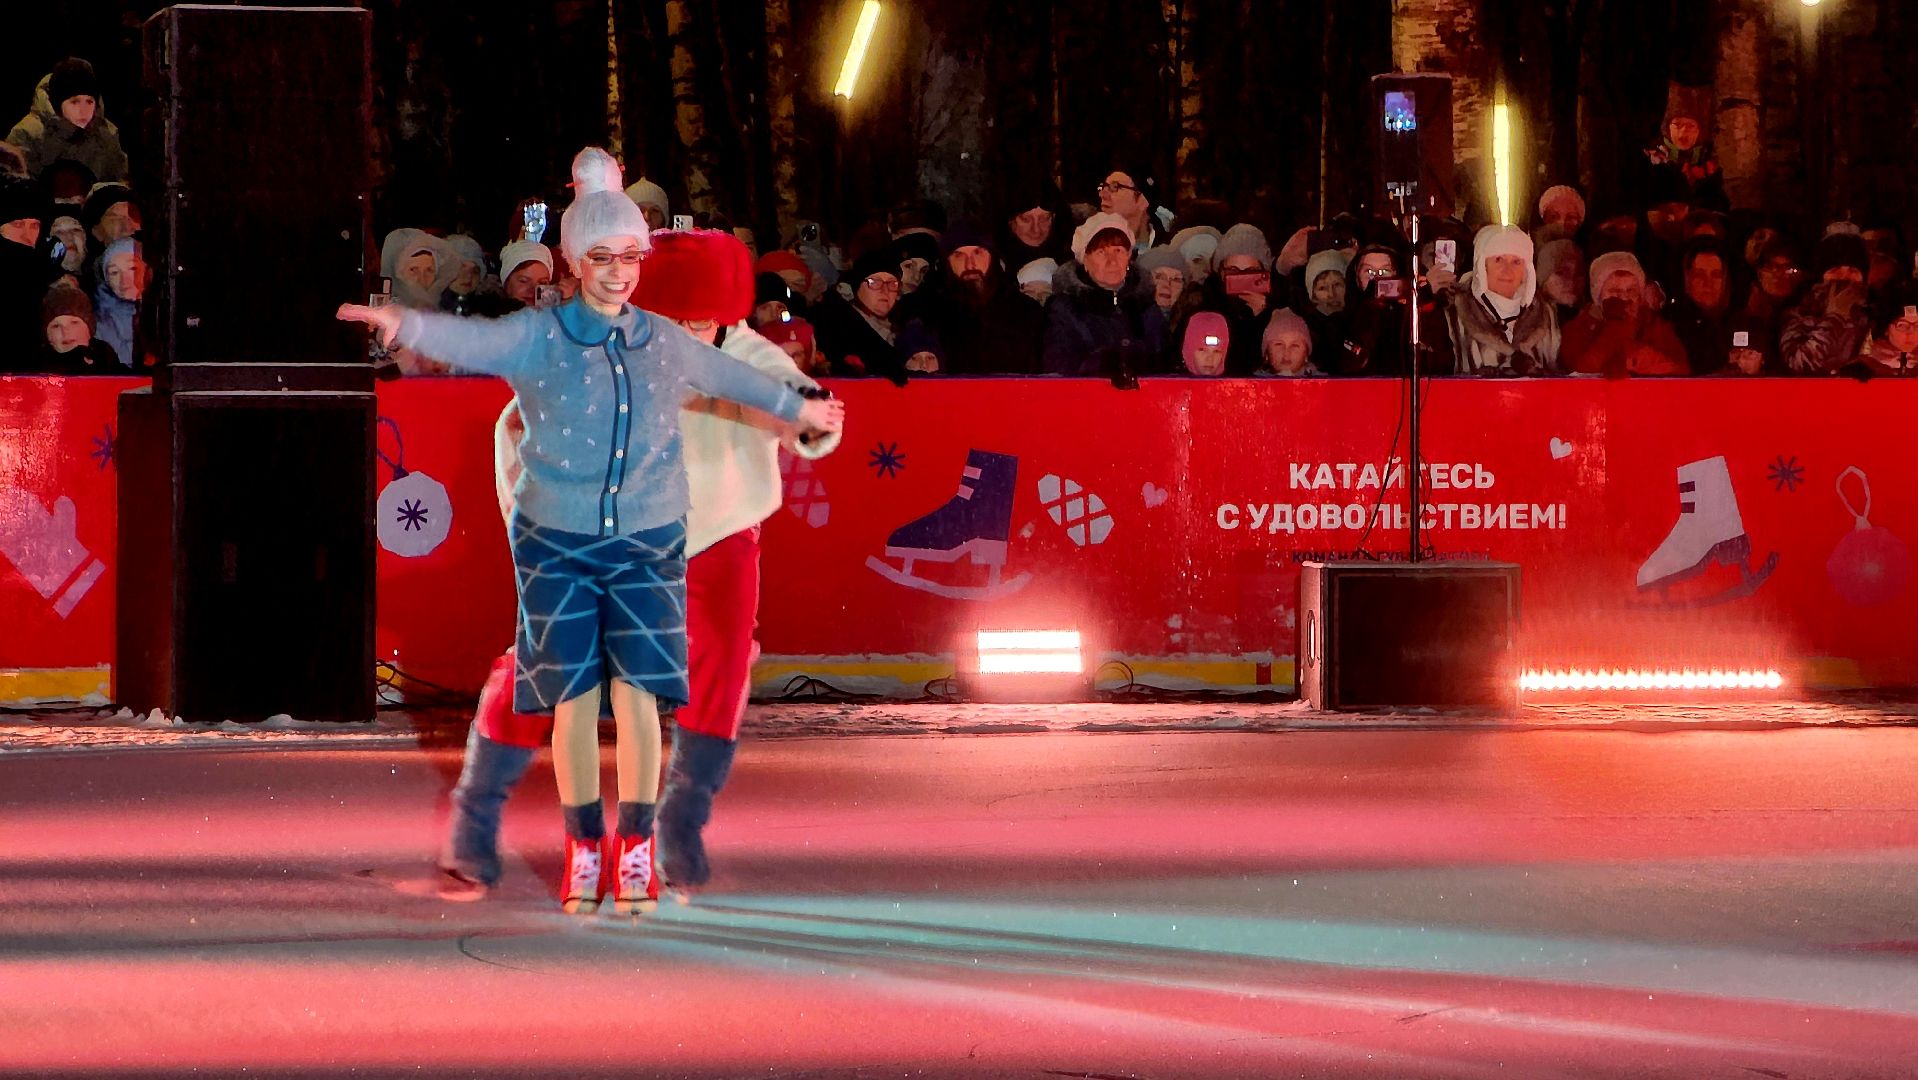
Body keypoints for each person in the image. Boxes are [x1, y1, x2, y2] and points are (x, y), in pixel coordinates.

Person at [339, 148, 844, 917]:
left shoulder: (738, 352)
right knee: (544, 674)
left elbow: (790, 399)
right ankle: (479, 809)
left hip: (717, 534)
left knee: (716, 668)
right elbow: (517, 423)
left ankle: (678, 821)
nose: (696, 329)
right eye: (682, 314)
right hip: (597, 534)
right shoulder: (607, 343)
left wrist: (807, 418)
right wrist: (534, 526)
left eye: (712, 318)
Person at [901, 220, 1043, 375]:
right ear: (946, 262)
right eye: (959, 256)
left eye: (978, 253)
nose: (970, 265)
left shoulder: (1027, 313)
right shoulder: (924, 312)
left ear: (992, 257)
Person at [1043, 212, 1163, 377]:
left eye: (1118, 251)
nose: (1112, 260)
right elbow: (1059, 366)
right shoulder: (1064, 309)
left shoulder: (1146, 307)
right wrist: (1104, 363)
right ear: (1085, 260)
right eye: (1101, 252)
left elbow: (1165, 362)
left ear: (1129, 256)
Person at [1441, 225, 1559, 376]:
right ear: (1482, 266)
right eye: (1498, 260)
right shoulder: (1453, 315)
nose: (1507, 270)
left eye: (1516, 262)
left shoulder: (1546, 315)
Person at [1561, 251, 1689, 376]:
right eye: (1614, 291)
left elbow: (1681, 369)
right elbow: (1580, 371)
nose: (1624, 297)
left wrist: (1636, 356)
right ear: (1598, 296)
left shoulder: (1654, 325)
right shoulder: (1576, 330)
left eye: (1631, 290)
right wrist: (1616, 329)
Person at [6, 58, 128, 184]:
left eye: (89, 102)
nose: (83, 110)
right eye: (74, 102)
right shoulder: (28, 134)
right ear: (58, 103)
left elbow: (118, 180)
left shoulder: (106, 134)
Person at [810, 246, 908, 381]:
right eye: (874, 282)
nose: (885, 290)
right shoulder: (836, 328)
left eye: (892, 283)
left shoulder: (905, 328)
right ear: (857, 286)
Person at [1782, 232, 1873, 375]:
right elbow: (1800, 363)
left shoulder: (1874, 313)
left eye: (1853, 270)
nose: (1844, 277)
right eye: (1835, 270)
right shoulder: (1800, 313)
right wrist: (1835, 318)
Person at [1668, 240, 1735, 375]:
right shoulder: (1670, 326)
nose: (1708, 283)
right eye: (1699, 275)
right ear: (1687, 278)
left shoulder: (1739, 321)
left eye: (1716, 275)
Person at [36, 282, 119, 373]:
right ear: (48, 337)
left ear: (89, 329)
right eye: (56, 326)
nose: (65, 331)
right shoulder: (38, 367)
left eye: (74, 323)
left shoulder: (104, 355)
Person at [92, 237, 147, 369]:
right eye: (114, 273)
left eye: (132, 268)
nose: (124, 280)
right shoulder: (98, 324)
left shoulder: (168, 314)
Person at [1095, 165, 1168, 251]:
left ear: (1143, 200)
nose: (1102, 195)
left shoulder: (1168, 250)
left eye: (1115, 187)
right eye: (1102, 186)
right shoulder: (1089, 245)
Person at [1259, 309, 1320, 376]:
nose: (1287, 352)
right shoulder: (1250, 384)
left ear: (1306, 354)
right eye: (1278, 344)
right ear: (1266, 353)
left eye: (1295, 345)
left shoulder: (1325, 383)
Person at [498, 240, 553, 308]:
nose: (534, 290)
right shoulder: (486, 318)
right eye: (524, 281)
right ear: (507, 283)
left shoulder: (557, 316)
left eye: (542, 283)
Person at [1179, 311, 1229, 376]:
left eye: (1217, 351)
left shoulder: (1235, 384)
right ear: (1189, 350)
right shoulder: (1170, 382)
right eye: (1202, 350)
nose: (1210, 359)